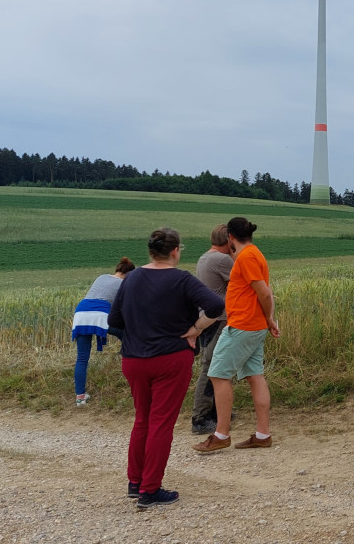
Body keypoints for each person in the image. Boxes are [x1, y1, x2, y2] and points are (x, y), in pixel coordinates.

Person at [108, 229, 224, 509]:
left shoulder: (132, 278)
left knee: (142, 420)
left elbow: (114, 320)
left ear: (150, 251)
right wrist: (195, 329)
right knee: (161, 423)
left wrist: (137, 336)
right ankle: (150, 488)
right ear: (175, 251)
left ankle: (135, 483)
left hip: (134, 360)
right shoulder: (181, 278)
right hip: (170, 358)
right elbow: (216, 304)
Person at [193, 217, 280, 453]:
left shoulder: (247, 257)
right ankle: (262, 434)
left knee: (218, 374)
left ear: (230, 237)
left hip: (243, 326)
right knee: (254, 376)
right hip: (253, 325)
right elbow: (263, 291)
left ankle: (221, 434)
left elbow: (263, 292)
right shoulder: (253, 254)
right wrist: (267, 319)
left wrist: (270, 317)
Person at [70, 257, 135, 406]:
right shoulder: (124, 283)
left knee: (82, 358)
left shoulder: (102, 277)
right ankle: (133, 374)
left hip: (81, 313)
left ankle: (80, 397)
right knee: (127, 337)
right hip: (100, 314)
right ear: (129, 273)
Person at [190, 224, 233, 434]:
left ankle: (216, 411)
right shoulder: (223, 259)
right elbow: (243, 279)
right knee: (212, 367)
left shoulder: (206, 256)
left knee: (214, 365)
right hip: (218, 318)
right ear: (229, 241)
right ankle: (200, 417)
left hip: (206, 317)